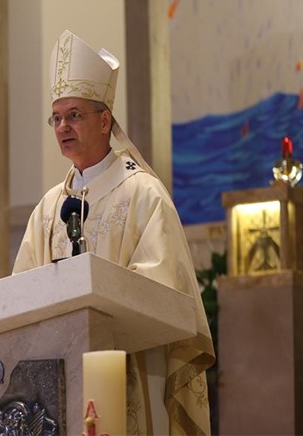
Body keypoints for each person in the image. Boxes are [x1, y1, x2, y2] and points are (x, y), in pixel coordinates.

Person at [12, 30, 215, 435]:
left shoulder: (143, 194)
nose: (62, 127)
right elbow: (21, 290)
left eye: (74, 115)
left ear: (104, 120)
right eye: (57, 117)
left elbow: (165, 292)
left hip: (131, 372)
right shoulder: (50, 207)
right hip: (58, 376)